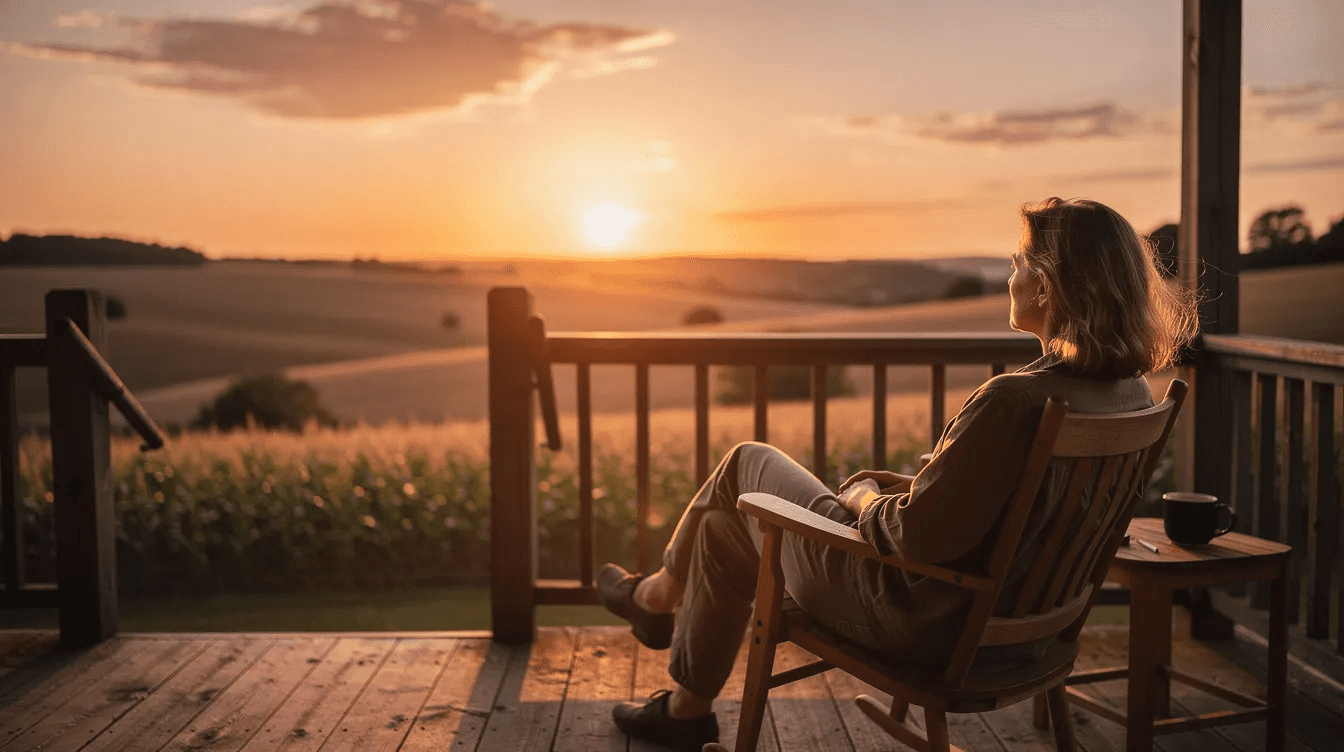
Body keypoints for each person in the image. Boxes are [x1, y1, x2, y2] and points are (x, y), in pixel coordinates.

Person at [597, 197, 1199, 751]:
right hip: (1028, 637)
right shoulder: (1131, 396)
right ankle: (685, 711)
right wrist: (917, 488)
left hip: (919, 622)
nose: (1010, 273)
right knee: (726, 536)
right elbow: (1017, 513)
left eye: (1019, 260)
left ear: (1046, 285)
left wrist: (862, 498)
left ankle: (655, 596)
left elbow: (914, 539)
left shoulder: (1014, 401)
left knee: (745, 463)